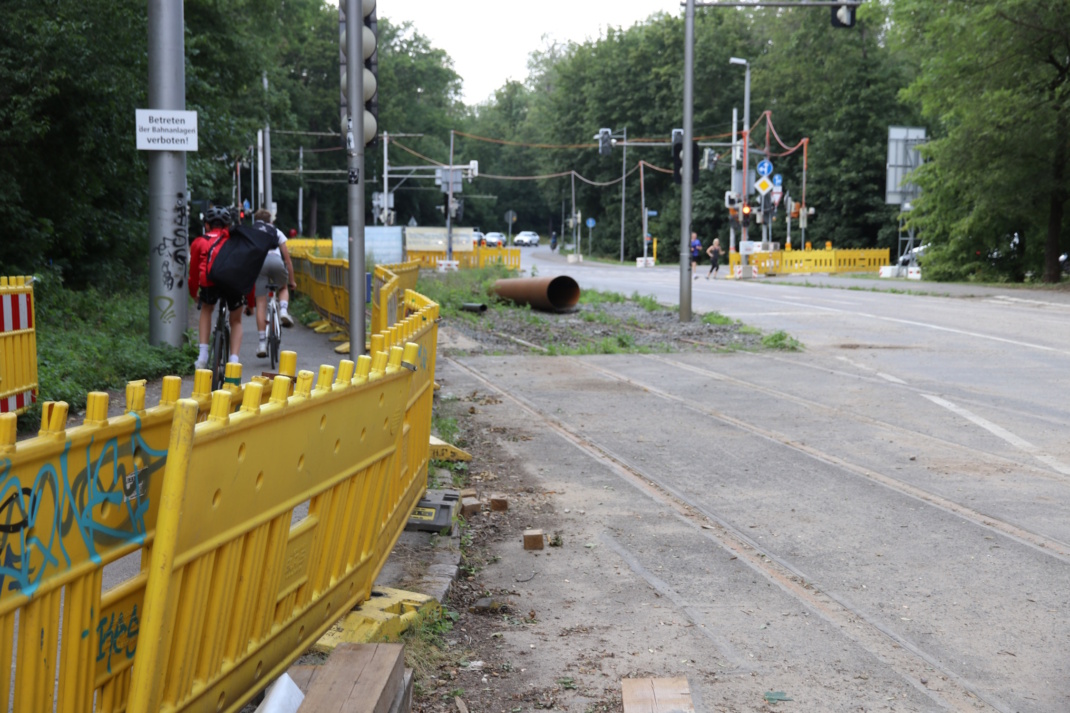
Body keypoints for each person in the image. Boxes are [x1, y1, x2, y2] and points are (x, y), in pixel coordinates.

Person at [188, 206, 251, 369]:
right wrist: (250, 301)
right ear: (227, 225)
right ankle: (234, 362)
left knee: (207, 309)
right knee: (236, 320)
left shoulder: (199, 242)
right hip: (233, 284)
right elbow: (247, 270)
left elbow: (193, 271)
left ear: (207, 225)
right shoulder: (235, 241)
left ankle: (202, 356)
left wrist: (194, 293)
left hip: (209, 283)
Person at [251, 209, 297, 358]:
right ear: (271, 221)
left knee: (261, 304)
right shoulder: (276, 232)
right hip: (276, 262)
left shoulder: (253, 232)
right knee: (283, 287)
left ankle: (262, 343)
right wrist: (291, 282)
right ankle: (283, 310)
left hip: (259, 265)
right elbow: (287, 260)